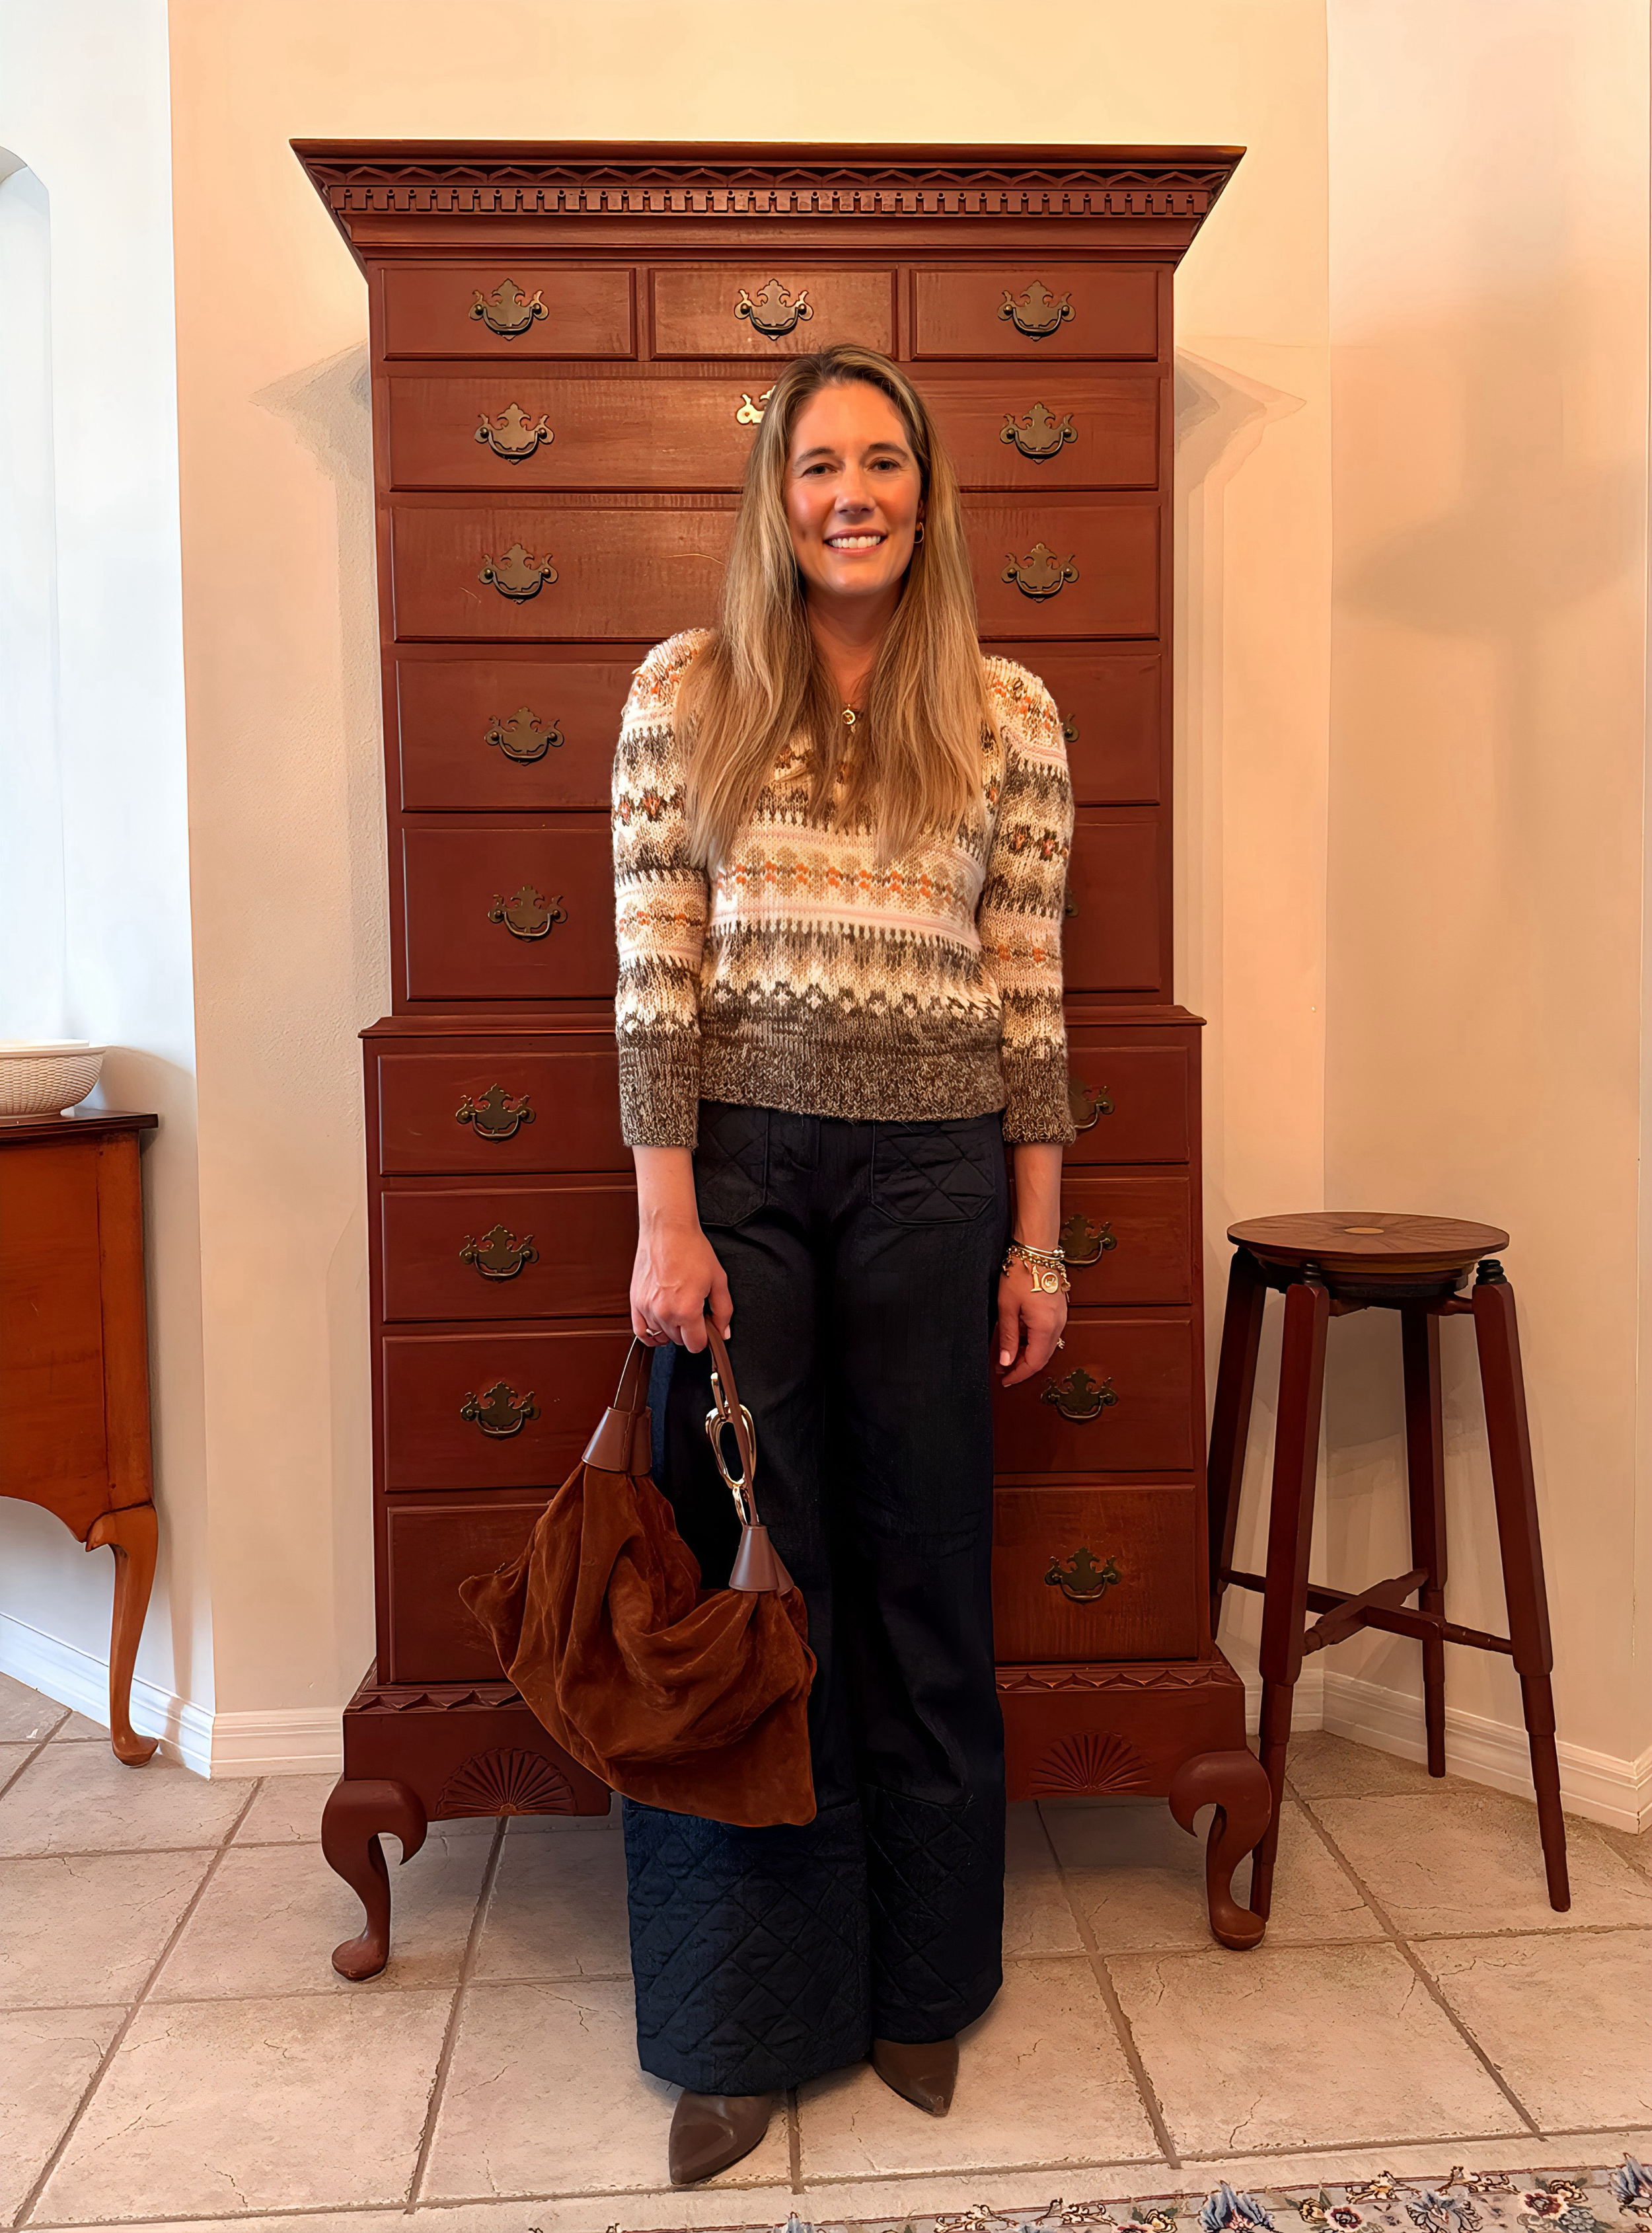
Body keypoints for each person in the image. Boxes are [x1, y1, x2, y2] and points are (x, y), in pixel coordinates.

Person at [610, 341, 1074, 2185]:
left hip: (935, 1182)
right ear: (774, 494)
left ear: (925, 491)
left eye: (883, 461)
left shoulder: (1009, 709)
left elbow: (1028, 989)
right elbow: (654, 969)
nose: (851, 493)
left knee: (920, 1570)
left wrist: (1040, 1246)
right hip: (739, 1177)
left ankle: (918, 1987)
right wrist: (664, 1215)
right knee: (755, 1595)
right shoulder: (688, 687)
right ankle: (745, 2013)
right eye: (819, 464)